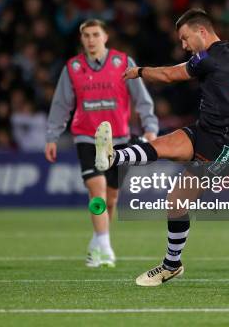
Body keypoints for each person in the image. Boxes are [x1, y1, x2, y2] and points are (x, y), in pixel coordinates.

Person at [94, 8, 229, 284]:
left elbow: (171, 75)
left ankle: (172, 264)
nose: (183, 46)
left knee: (176, 202)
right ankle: (112, 157)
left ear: (201, 32)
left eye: (185, 38)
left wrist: (140, 71)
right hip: (208, 132)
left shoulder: (207, 56)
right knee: (162, 145)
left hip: (224, 150)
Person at [45, 19, 158, 268]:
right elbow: (61, 104)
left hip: (120, 139)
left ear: (105, 37)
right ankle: (106, 247)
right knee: (96, 191)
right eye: (86, 35)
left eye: (95, 34)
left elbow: (141, 98)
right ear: (81, 39)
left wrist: (150, 127)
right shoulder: (73, 67)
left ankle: (97, 242)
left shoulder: (123, 62)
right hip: (88, 137)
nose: (91, 39)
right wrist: (52, 136)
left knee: (111, 199)